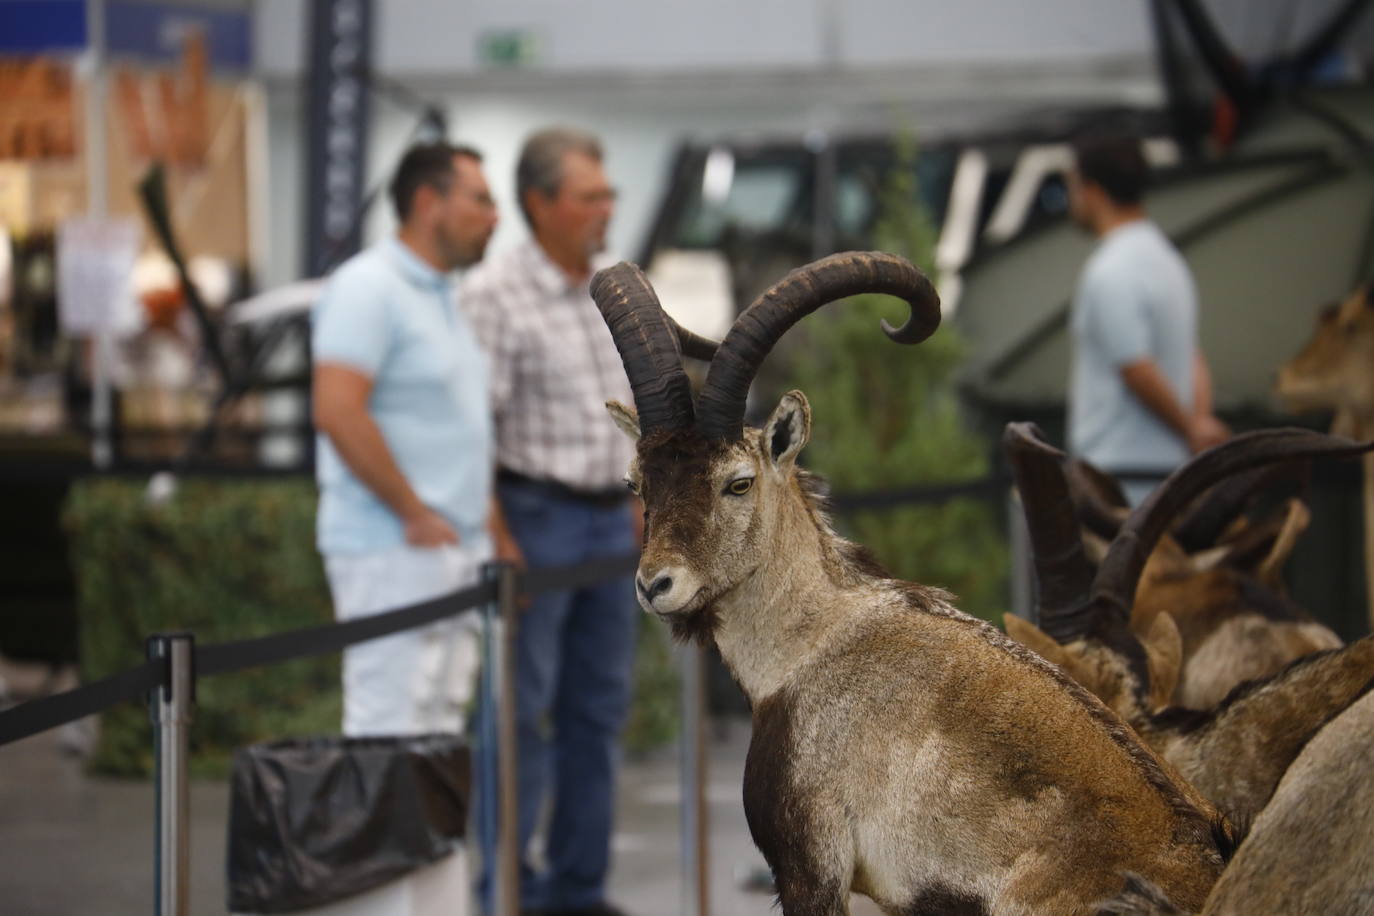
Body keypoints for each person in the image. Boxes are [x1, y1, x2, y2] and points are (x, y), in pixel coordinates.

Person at [463, 127, 638, 916]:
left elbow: (639, 414)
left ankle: (580, 890)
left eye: (609, 194)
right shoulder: (495, 295)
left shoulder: (616, 286)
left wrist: (646, 506)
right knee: (518, 712)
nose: (606, 208)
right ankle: (507, 891)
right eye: (590, 196)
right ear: (540, 203)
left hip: (612, 527)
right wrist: (497, 538)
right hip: (535, 519)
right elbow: (472, 432)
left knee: (596, 712)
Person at [312, 141, 518, 737]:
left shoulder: (444, 295)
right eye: (480, 200)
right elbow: (337, 410)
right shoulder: (366, 286)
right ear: (429, 203)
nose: (494, 217)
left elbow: (460, 435)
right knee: (389, 725)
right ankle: (392, 837)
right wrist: (413, 512)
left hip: (453, 548)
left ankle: (433, 838)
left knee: (441, 722)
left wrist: (491, 531)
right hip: (391, 548)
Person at [1066, 133, 1230, 505]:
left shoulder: (1110, 270)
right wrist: (1198, 424)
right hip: (1168, 474)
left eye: (1072, 186)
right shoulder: (1170, 261)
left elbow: (1135, 366)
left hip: (1116, 477)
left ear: (1092, 190)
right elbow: (1192, 356)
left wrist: (1192, 428)